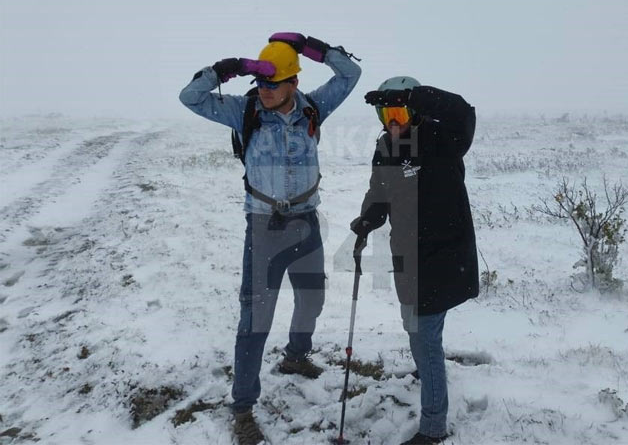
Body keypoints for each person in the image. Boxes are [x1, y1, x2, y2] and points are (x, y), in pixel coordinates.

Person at [179, 33, 361, 444]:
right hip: (263, 229)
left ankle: (296, 358)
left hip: (307, 223)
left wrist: (312, 45)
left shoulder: (314, 107)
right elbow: (189, 97)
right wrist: (228, 69)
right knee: (255, 320)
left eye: (272, 83)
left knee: (311, 300)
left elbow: (351, 73)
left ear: (293, 82)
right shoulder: (242, 111)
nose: (263, 91)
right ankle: (243, 407)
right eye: (259, 83)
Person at [350, 77, 479, 445]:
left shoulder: (444, 140)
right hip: (406, 253)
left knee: (425, 336)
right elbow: (379, 191)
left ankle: (434, 426)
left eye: (400, 111)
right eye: (385, 112)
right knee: (413, 325)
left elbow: (463, 113)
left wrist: (415, 96)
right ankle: (429, 378)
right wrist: (367, 221)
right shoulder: (385, 146)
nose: (393, 121)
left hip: (443, 254)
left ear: (416, 111)